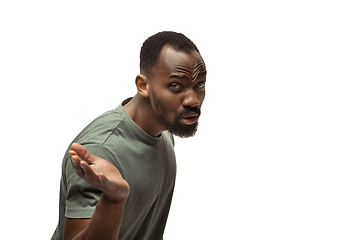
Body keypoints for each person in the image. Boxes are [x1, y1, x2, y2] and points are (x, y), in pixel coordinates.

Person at [51, 31, 207, 240]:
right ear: (143, 86)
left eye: (199, 85)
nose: (193, 100)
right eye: (176, 86)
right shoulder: (100, 150)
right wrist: (114, 199)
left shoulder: (164, 132)